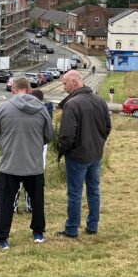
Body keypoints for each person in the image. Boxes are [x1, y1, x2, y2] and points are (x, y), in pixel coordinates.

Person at [0, 77, 54, 249]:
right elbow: (48, 135)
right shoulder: (42, 109)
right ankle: (38, 233)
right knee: (37, 201)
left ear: (13, 90)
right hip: (34, 164)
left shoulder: (3, 108)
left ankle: (2, 239)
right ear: (30, 90)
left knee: (5, 202)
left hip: (9, 163)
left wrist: (6, 144)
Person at [56, 70, 112, 238]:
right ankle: (92, 226)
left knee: (74, 193)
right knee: (94, 190)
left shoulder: (72, 104)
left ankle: (71, 229)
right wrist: (99, 143)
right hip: (95, 154)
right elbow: (107, 127)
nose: (64, 87)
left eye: (65, 83)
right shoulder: (100, 100)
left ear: (74, 81)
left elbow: (67, 135)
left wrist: (61, 151)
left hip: (77, 156)